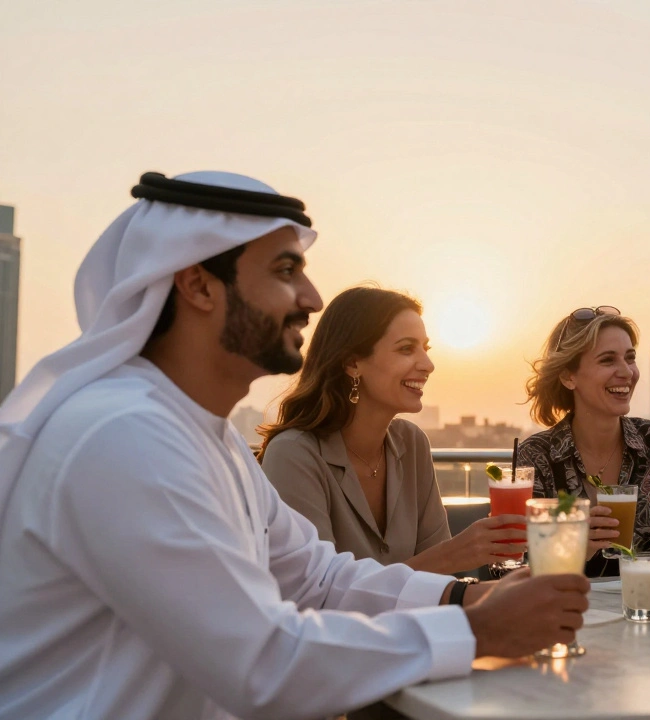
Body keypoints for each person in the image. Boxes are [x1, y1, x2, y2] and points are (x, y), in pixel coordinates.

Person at [0, 172, 590, 720]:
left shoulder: (211, 439)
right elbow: (259, 662)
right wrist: (478, 633)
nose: (311, 298)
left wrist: (469, 596)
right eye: (286, 271)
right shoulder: (123, 436)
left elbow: (316, 579)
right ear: (198, 285)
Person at [259, 286, 525, 574]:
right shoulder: (293, 455)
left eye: (425, 349)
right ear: (352, 363)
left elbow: (441, 580)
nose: (428, 365)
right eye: (406, 349)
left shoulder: (412, 443)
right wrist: (453, 555)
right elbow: (317, 589)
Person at [517, 307, 650, 576]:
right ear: (568, 376)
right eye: (608, 360)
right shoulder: (535, 456)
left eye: (630, 358)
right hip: (566, 601)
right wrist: (575, 546)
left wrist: (643, 584)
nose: (627, 372)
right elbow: (516, 563)